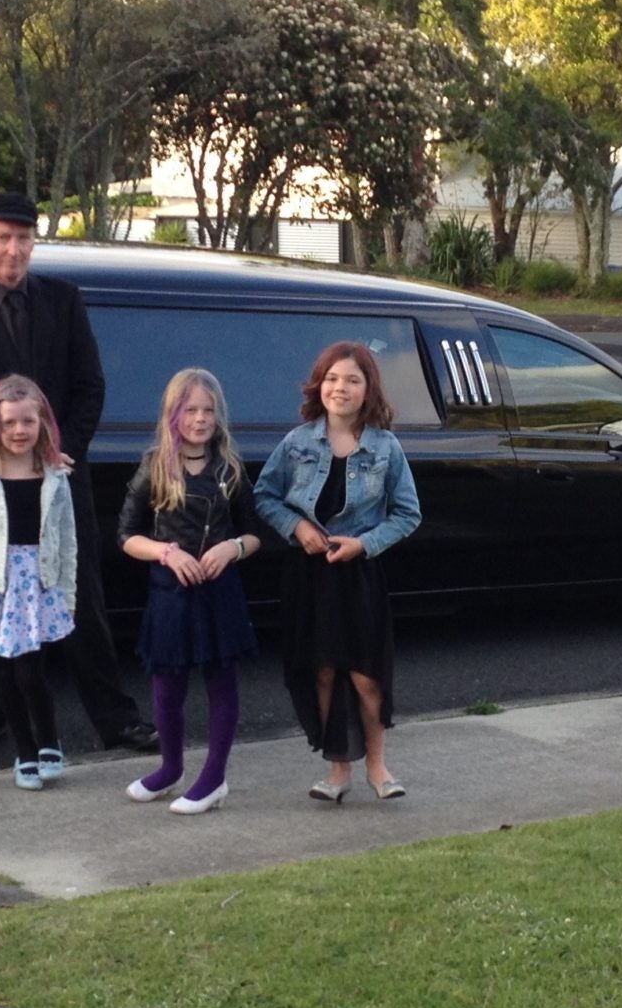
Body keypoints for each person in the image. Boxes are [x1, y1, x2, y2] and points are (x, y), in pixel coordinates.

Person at [0, 191, 155, 761]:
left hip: (59, 479)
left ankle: (115, 719)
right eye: (2, 236)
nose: (14, 248)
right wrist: (2, 456)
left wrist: (57, 454)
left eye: (23, 237)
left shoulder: (64, 300)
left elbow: (90, 386)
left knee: (80, 597)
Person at [254, 340, 420, 803]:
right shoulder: (298, 442)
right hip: (310, 577)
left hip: (359, 575)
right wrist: (297, 526)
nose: (340, 388)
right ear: (318, 385)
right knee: (322, 672)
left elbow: (408, 514)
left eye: (351, 379)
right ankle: (338, 770)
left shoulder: (386, 447)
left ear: (368, 389)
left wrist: (363, 544)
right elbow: (264, 497)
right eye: (331, 378)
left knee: (367, 675)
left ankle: (378, 766)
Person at [116, 368, 261, 815]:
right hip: (170, 595)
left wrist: (232, 548)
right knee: (166, 686)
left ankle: (214, 778)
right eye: (190, 410)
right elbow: (125, 535)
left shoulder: (229, 468)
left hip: (219, 595)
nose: (200, 419)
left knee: (221, 682)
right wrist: (165, 553)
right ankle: (170, 768)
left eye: (208, 411)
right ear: (172, 414)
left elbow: (255, 534)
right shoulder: (154, 466)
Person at [0, 377, 79, 790]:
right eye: (9, 423)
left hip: (37, 583)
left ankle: (47, 740)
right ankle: (23, 752)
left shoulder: (55, 475)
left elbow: (68, 538)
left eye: (28, 421)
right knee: (3, 672)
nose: (19, 431)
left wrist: (69, 593)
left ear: (42, 422)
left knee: (31, 671)